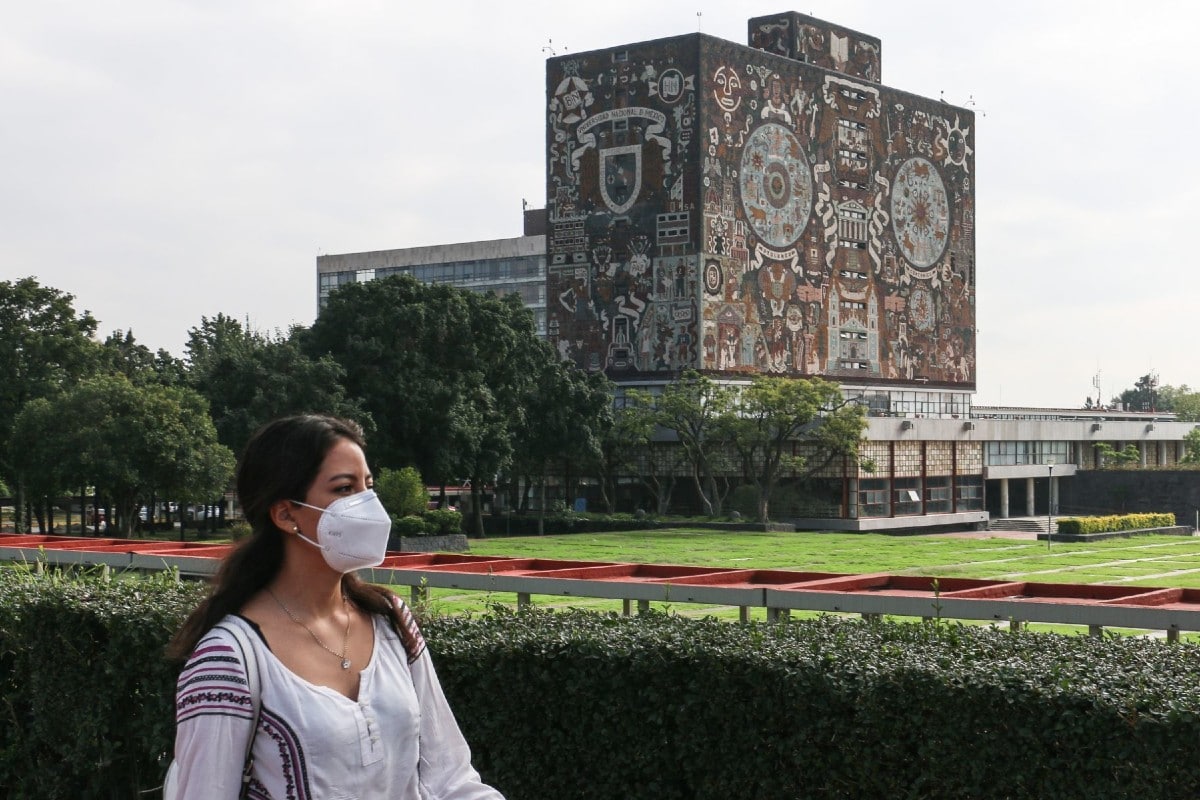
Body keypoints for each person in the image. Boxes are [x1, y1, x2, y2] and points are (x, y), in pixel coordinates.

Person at [167, 414, 504, 799]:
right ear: (285, 514)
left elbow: (450, 776)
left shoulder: (391, 621)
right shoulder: (229, 658)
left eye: (368, 486)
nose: (367, 504)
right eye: (344, 489)